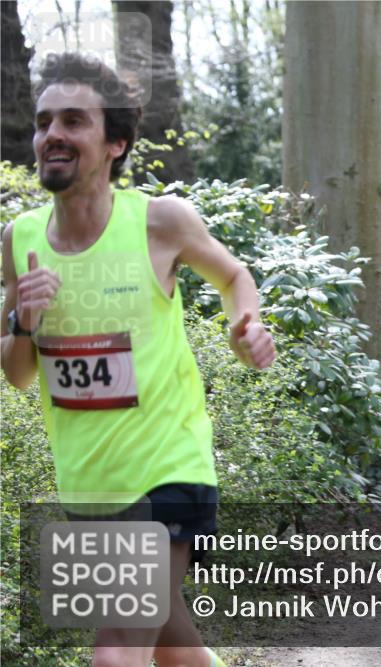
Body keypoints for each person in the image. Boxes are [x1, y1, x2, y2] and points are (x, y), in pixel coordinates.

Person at [1, 53, 275, 667]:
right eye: (44, 123)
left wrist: (247, 326)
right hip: (89, 484)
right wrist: (25, 322)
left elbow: (234, 276)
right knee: (174, 648)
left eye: (74, 121)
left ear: (115, 143)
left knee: (117, 650)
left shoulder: (159, 222)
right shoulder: (20, 240)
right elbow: (17, 373)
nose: (52, 134)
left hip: (168, 467)